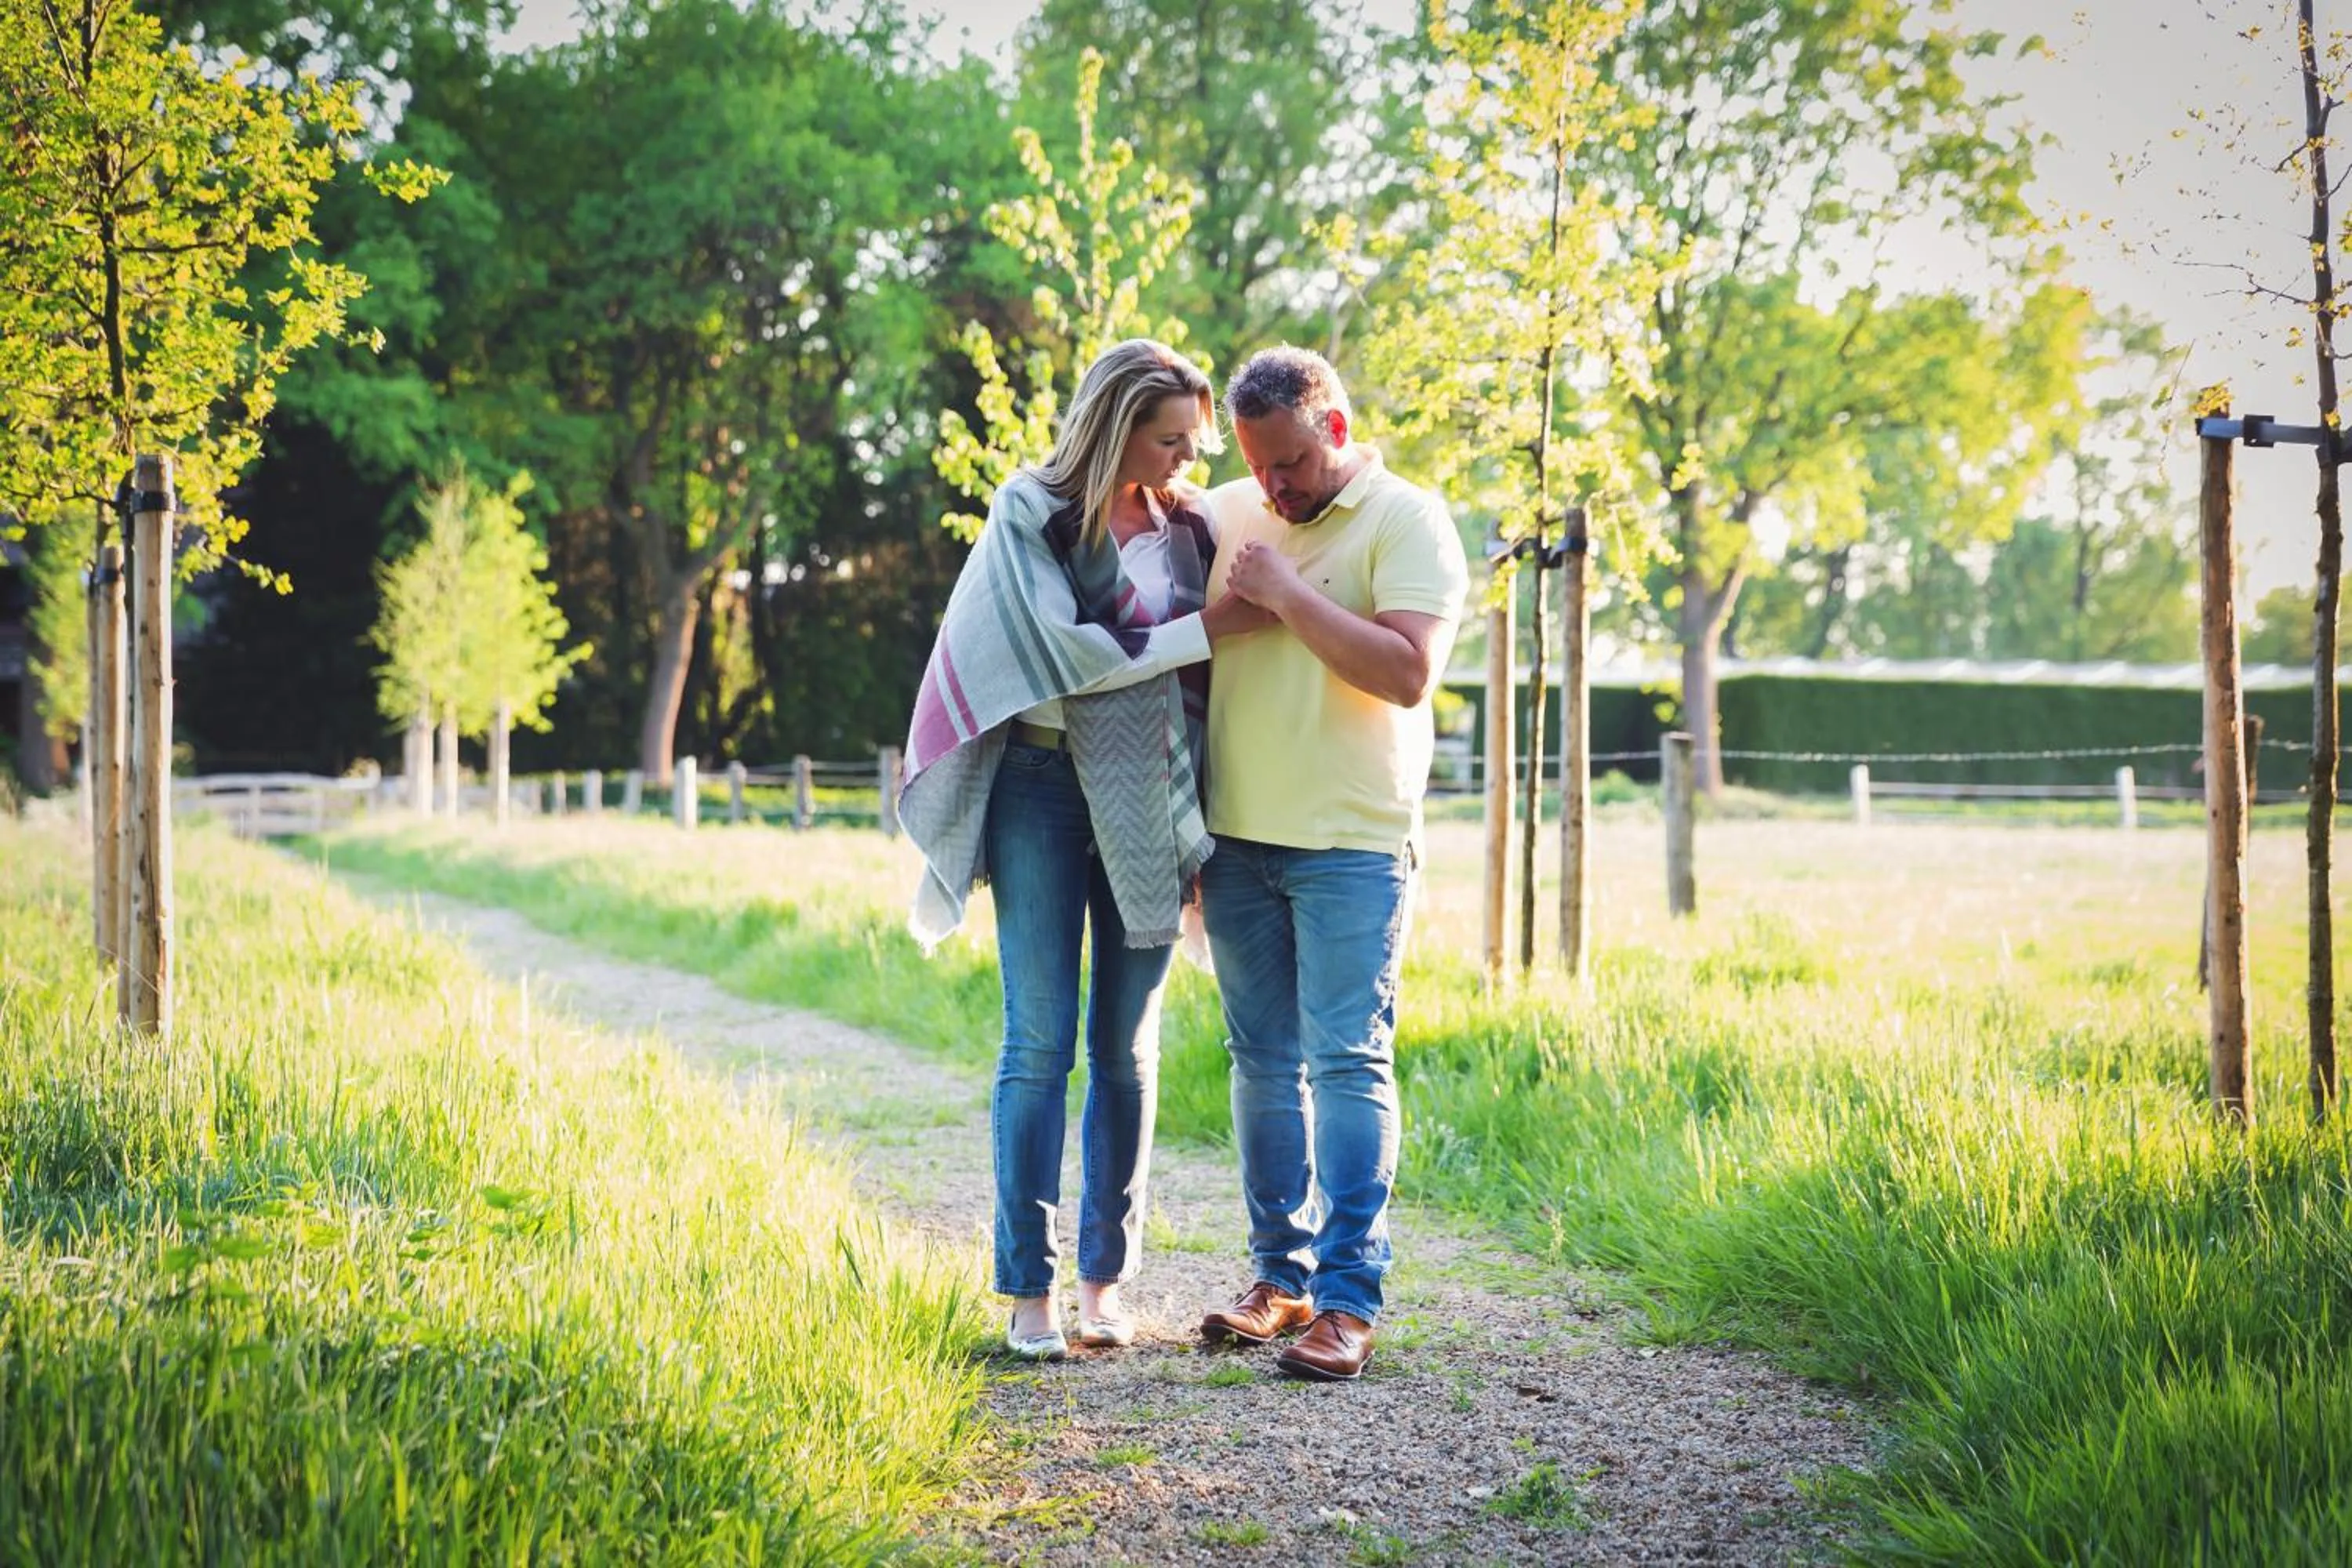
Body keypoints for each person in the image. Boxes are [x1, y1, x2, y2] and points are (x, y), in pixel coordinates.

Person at [898, 339, 1272, 1362]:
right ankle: (1028, 1293)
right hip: (1038, 788)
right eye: (1168, 437)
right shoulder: (1032, 512)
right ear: (1116, 426)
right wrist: (1211, 630)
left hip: (1148, 789)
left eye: (1194, 438)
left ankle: (1104, 1284)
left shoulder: (1187, 525)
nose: (1189, 456)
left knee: (1128, 1050)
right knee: (1038, 1044)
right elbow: (1062, 648)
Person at [1192, 345, 1468, 1381]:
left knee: (1348, 1063)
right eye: (1259, 467)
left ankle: (1350, 1303)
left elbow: (1405, 673)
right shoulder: (1230, 511)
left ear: (1338, 432)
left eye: (1293, 466)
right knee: (1262, 1066)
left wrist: (1285, 593)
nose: (1273, 488)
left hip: (1354, 839)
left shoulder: (1409, 519)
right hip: (1237, 835)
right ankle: (1280, 1281)